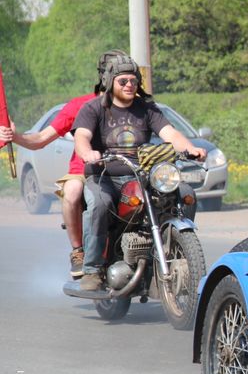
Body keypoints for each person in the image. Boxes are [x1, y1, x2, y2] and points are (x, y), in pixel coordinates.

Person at [73, 53, 206, 291]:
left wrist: (190, 148)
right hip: (105, 176)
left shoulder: (146, 109)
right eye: (123, 81)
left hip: (141, 175)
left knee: (185, 193)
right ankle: (92, 270)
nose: (129, 85)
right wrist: (87, 153)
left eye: (133, 80)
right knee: (100, 205)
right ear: (109, 82)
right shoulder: (94, 108)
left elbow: (170, 133)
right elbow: (82, 136)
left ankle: (173, 245)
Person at [0, 49, 128, 278]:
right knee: (73, 190)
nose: (127, 82)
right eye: (120, 75)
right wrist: (15, 136)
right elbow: (40, 140)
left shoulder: (138, 106)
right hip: (86, 171)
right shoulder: (82, 106)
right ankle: (78, 251)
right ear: (105, 77)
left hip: (127, 169)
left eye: (131, 75)